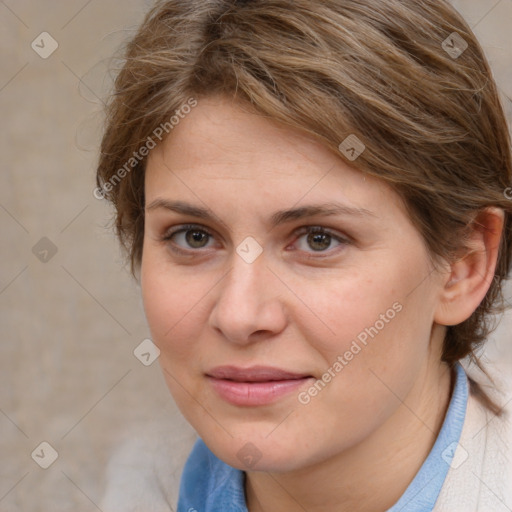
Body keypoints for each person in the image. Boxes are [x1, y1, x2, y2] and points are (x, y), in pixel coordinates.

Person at [96, 0, 512, 510]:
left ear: (462, 267)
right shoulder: (146, 482)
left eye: (319, 239)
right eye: (194, 237)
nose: (239, 315)